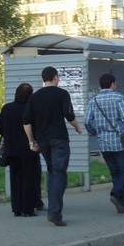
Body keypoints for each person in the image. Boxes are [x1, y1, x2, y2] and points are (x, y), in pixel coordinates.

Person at [23, 66, 82, 227]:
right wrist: (77, 127)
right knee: (59, 173)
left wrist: (31, 142)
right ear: (55, 78)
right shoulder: (62, 94)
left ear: (44, 78)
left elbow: (26, 122)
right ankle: (54, 213)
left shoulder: (34, 97)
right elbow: (69, 116)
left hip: (42, 141)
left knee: (51, 171)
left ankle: (53, 208)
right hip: (59, 139)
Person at [83, 72, 124, 214]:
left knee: (116, 174)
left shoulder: (93, 101)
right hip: (120, 141)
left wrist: (94, 132)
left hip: (104, 142)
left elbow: (86, 121)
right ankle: (116, 193)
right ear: (113, 84)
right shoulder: (118, 97)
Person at [0, 83, 39, 218]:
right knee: (28, 178)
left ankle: (17, 208)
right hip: (28, 149)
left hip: (11, 149)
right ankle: (28, 208)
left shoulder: (7, 108)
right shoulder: (31, 108)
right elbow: (36, 127)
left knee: (15, 178)